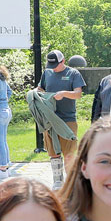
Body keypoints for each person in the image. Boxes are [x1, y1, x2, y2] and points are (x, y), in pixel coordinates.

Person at [40, 50, 86, 187]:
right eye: (51, 65)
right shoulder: (47, 73)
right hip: (49, 119)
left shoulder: (73, 74)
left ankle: (71, 184)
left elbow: (78, 94)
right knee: (53, 153)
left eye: (56, 65)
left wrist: (64, 94)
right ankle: (58, 181)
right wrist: (37, 94)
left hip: (68, 119)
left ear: (63, 61)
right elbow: (40, 88)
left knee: (69, 154)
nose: (53, 68)